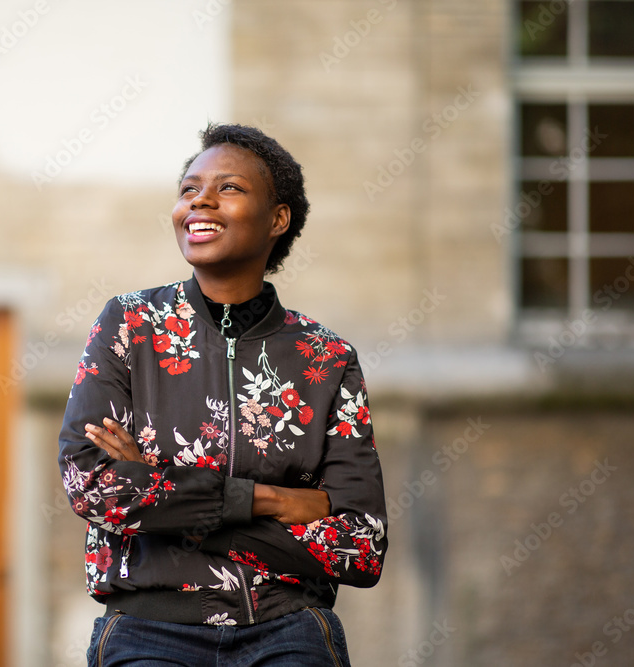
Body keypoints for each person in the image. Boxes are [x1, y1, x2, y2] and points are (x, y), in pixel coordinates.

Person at [58, 123, 387, 666]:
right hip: (150, 628)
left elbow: (360, 547)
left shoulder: (327, 358)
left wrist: (163, 496)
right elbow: (94, 487)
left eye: (228, 188)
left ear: (277, 218)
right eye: (189, 189)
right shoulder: (130, 325)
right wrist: (273, 500)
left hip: (287, 627)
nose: (200, 202)